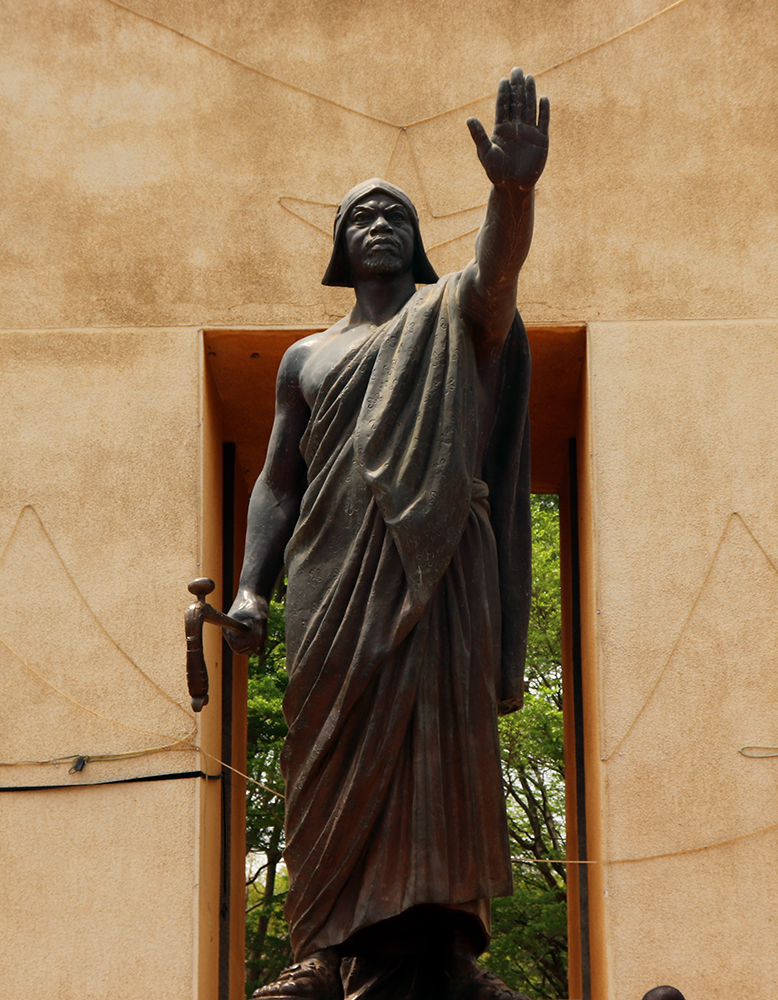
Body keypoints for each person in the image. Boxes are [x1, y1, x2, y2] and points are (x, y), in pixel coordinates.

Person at [226, 67, 549, 1000]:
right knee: (329, 753)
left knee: (442, 744)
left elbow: (495, 277)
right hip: (332, 584)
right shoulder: (307, 358)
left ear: (414, 241)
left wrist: (512, 192)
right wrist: (252, 588)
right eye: (361, 215)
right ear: (339, 244)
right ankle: (331, 950)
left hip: (437, 565)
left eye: (395, 215)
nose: (378, 223)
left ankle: (444, 949)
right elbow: (278, 483)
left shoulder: (453, 319)